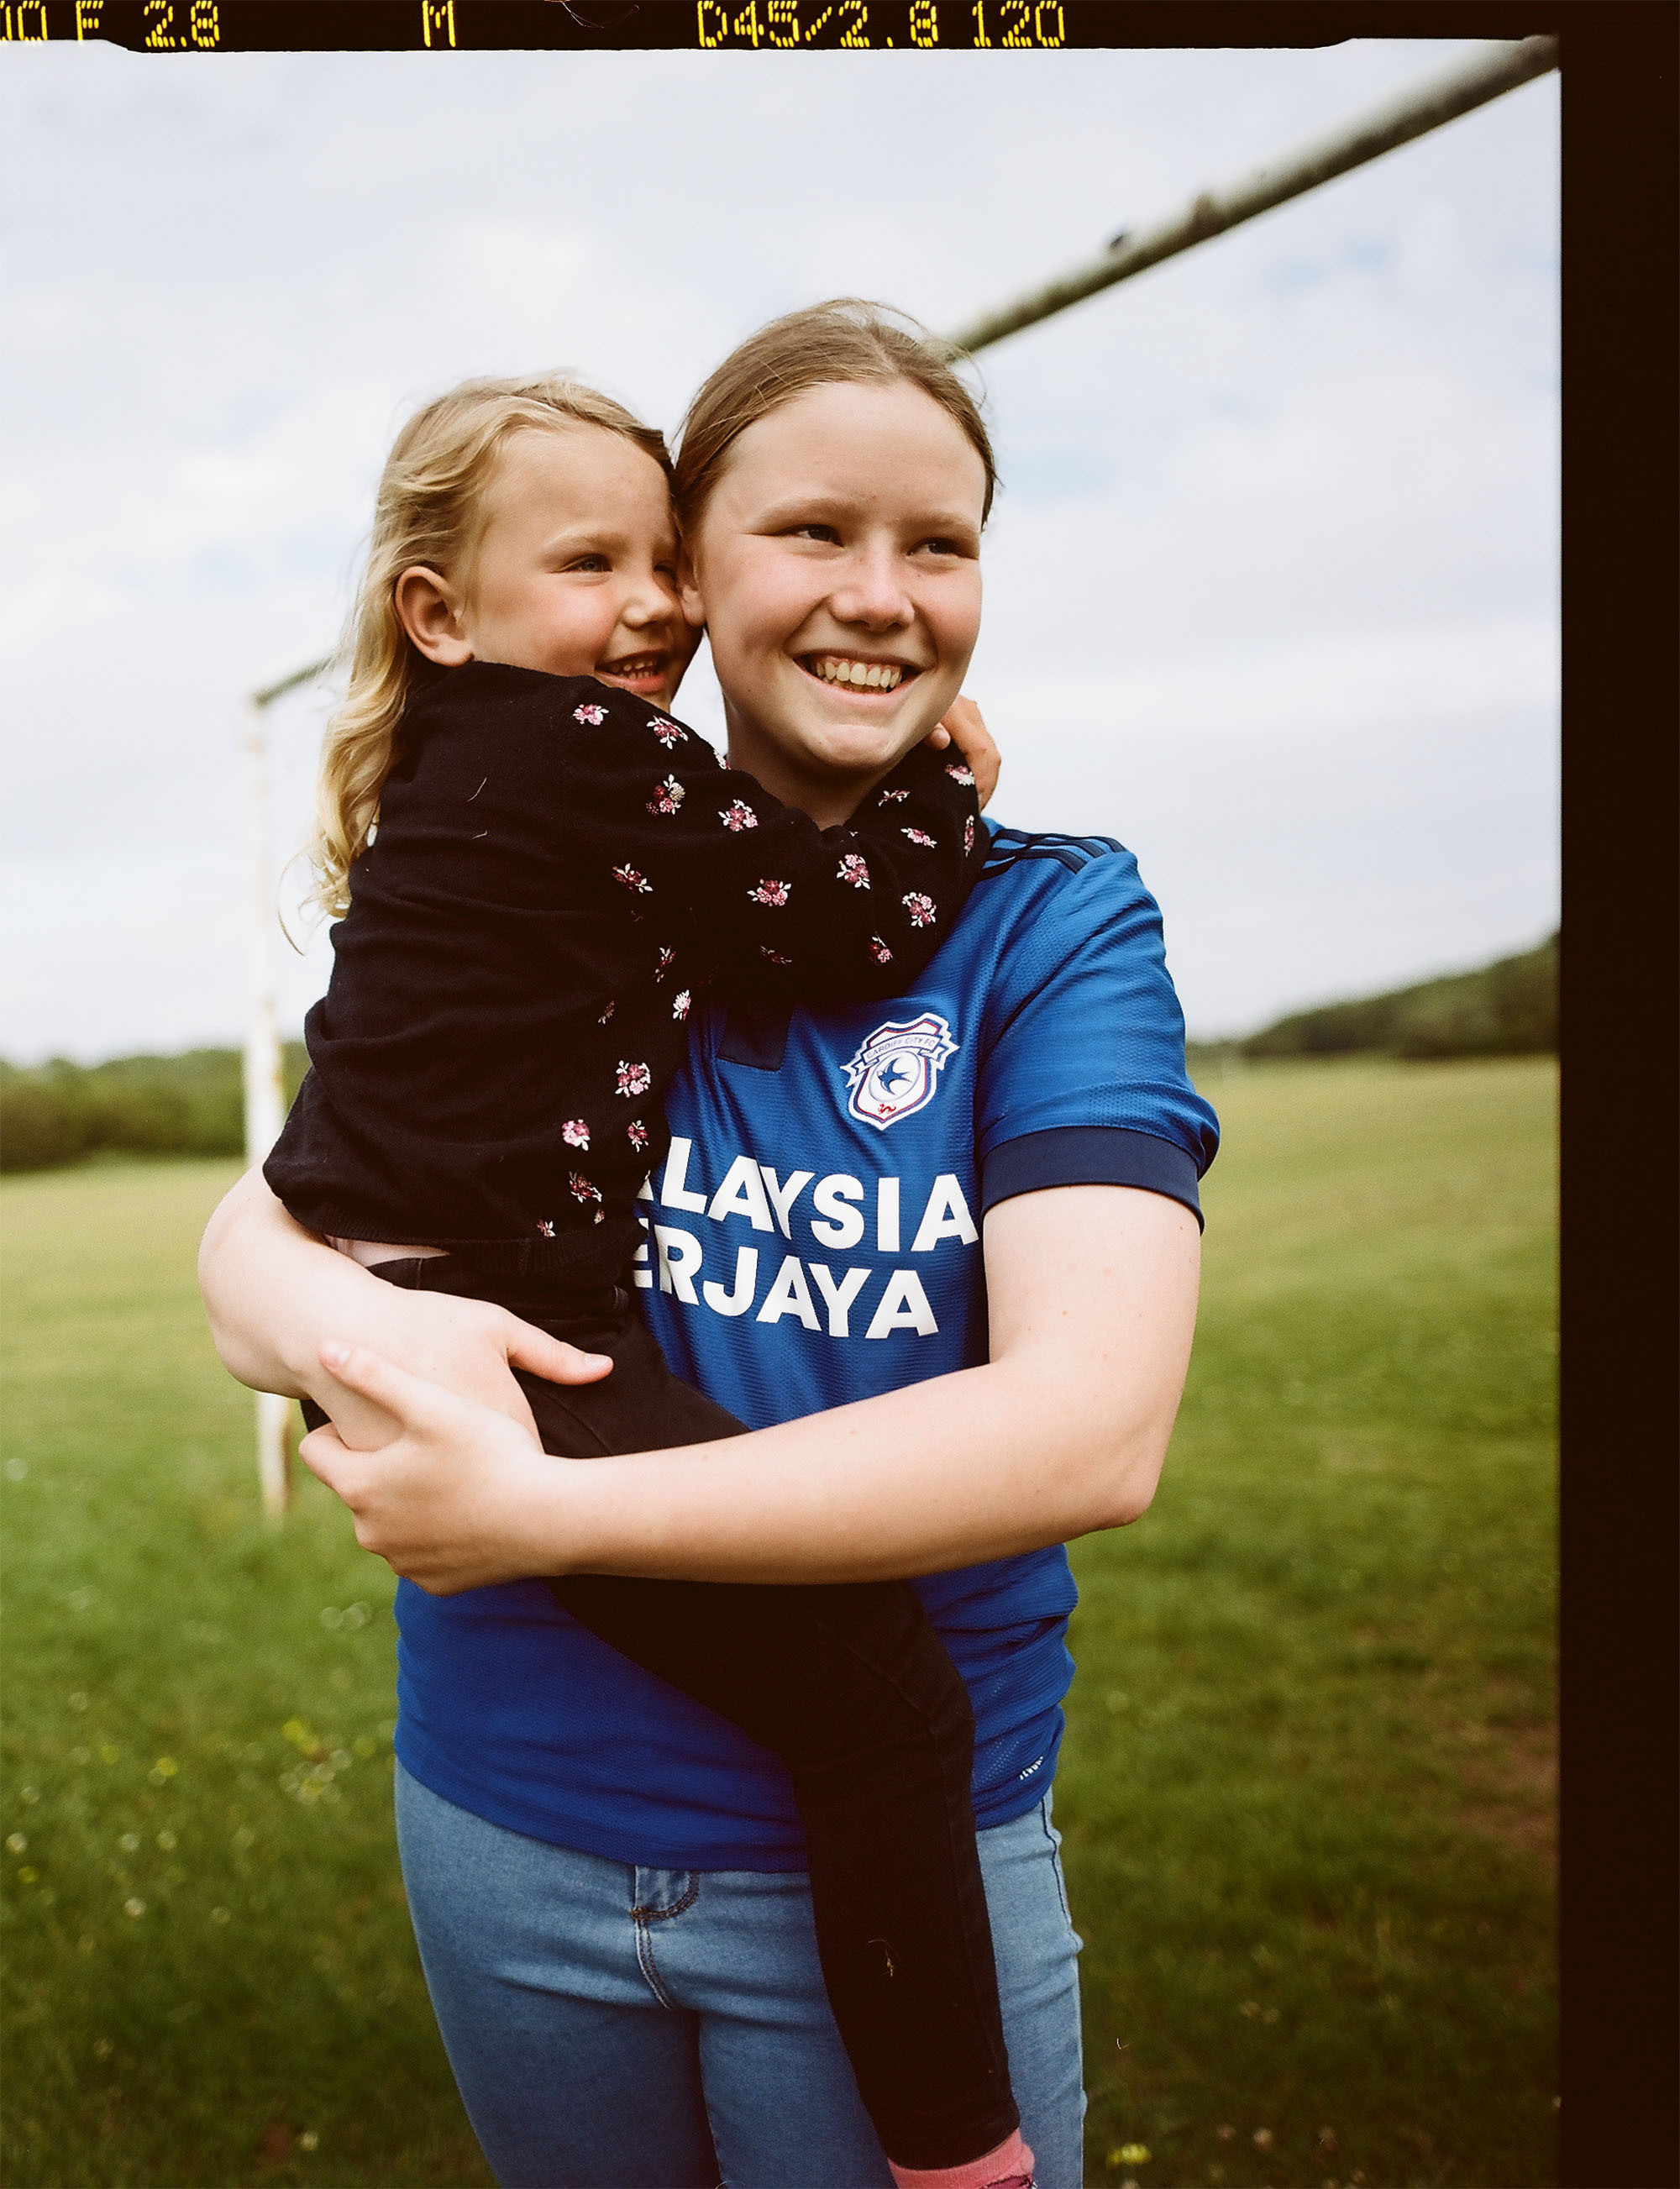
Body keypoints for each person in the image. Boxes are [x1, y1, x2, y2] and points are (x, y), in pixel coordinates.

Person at [200, 300, 1221, 2189]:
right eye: (805, 532)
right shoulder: (597, 872)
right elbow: (264, 1237)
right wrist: (312, 1316)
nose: (878, 593)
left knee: (880, 1716)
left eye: (939, 541)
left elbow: (1091, 1435)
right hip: (506, 1820)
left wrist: (538, 1503)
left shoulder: (1051, 924)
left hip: (900, 1845)